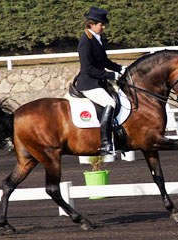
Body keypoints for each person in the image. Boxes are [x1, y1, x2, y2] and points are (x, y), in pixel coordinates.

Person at [75, 6, 125, 155]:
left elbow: (104, 61)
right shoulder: (85, 41)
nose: (103, 27)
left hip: (98, 81)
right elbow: (88, 68)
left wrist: (120, 68)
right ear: (91, 24)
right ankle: (105, 143)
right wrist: (111, 76)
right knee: (110, 103)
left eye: (103, 24)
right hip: (89, 83)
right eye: (101, 24)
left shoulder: (98, 38)